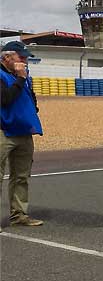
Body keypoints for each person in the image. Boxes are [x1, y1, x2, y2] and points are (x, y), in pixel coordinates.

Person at [0, 41, 44, 226]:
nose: (25, 61)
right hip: (3, 131)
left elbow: (30, 97)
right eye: (21, 57)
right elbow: (5, 99)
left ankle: (19, 215)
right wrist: (19, 79)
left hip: (23, 131)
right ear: (7, 57)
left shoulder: (25, 76)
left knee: (21, 176)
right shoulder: (6, 76)